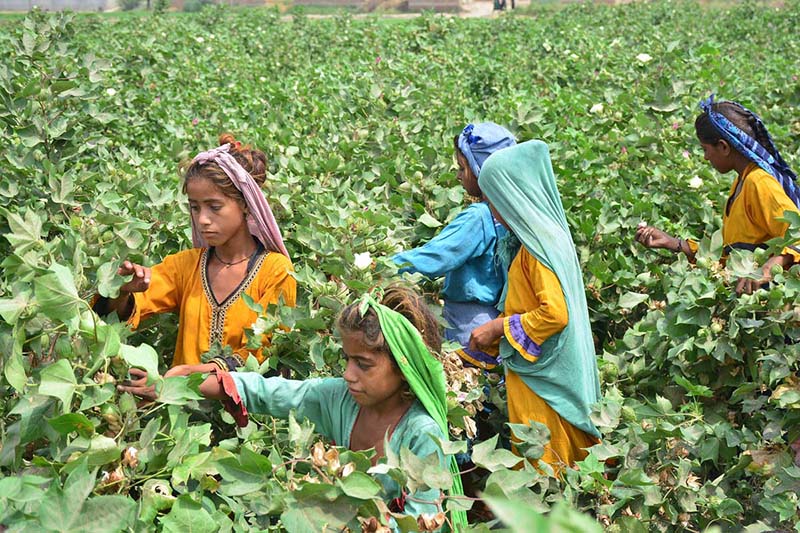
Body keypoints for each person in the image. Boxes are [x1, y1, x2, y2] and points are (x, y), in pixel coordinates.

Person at [187, 287, 468, 530]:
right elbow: (268, 392)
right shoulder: (339, 398)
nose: (348, 374)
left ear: (405, 368)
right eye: (347, 359)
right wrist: (190, 381)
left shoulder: (422, 433)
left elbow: (421, 523)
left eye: (363, 364)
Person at [95, 134, 296, 377]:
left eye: (214, 207)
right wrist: (124, 291)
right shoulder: (185, 266)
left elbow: (265, 352)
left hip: (249, 411)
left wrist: (182, 377)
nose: (202, 219)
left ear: (245, 204)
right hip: (178, 406)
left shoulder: (276, 270)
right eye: (194, 207)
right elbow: (117, 317)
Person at [467, 140, 602, 471]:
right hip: (542, 376)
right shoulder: (544, 239)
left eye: (493, 201)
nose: (493, 211)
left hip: (545, 383)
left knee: (544, 467)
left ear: (513, 197)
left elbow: (555, 314)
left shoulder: (536, 251)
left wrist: (498, 327)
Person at [636, 95, 800, 294]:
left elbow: (797, 235)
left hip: (770, 306)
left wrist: (771, 265)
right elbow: (727, 258)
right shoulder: (741, 183)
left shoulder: (759, 183)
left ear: (723, 147)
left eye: (706, 149)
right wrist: (673, 243)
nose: (705, 157)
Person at [394, 122, 515, 370]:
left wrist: (386, 265)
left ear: (483, 170)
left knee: (464, 388)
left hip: (467, 323)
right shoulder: (508, 214)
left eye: (463, 167)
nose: (458, 175)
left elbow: (438, 256)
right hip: (494, 320)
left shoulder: (478, 217)